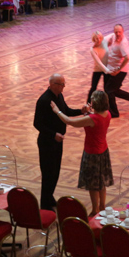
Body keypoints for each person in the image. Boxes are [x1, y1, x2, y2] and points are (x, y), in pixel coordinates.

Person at [52, 89, 113, 214]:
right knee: (101, 182)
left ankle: (95, 210)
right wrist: (88, 113)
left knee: (93, 184)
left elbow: (70, 121)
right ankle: (102, 206)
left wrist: (57, 111)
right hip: (103, 151)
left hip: (92, 153)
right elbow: (93, 119)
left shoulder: (92, 119)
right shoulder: (107, 114)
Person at [33, 73, 85, 210]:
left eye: (64, 83)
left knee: (55, 171)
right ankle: (44, 203)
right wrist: (53, 135)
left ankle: (49, 197)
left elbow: (66, 111)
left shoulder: (59, 96)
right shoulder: (44, 100)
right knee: (48, 173)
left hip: (57, 141)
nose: (64, 86)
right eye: (61, 84)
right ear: (52, 84)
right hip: (47, 142)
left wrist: (81, 111)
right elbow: (37, 124)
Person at [103, 23, 129, 117]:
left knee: (109, 90)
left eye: (120, 32)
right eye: (116, 32)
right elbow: (102, 40)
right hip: (110, 68)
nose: (118, 34)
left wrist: (118, 69)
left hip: (120, 70)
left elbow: (127, 58)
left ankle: (114, 112)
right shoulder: (112, 37)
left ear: (123, 31)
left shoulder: (123, 43)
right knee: (111, 90)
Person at [88, 31, 109, 102]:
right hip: (98, 69)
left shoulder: (105, 41)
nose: (99, 40)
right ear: (94, 39)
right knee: (93, 87)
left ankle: (107, 105)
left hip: (107, 68)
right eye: (97, 38)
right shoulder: (92, 49)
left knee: (107, 89)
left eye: (100, 38)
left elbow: (112, 35)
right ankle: (88, 104)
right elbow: (99, 63)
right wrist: (107, 71)